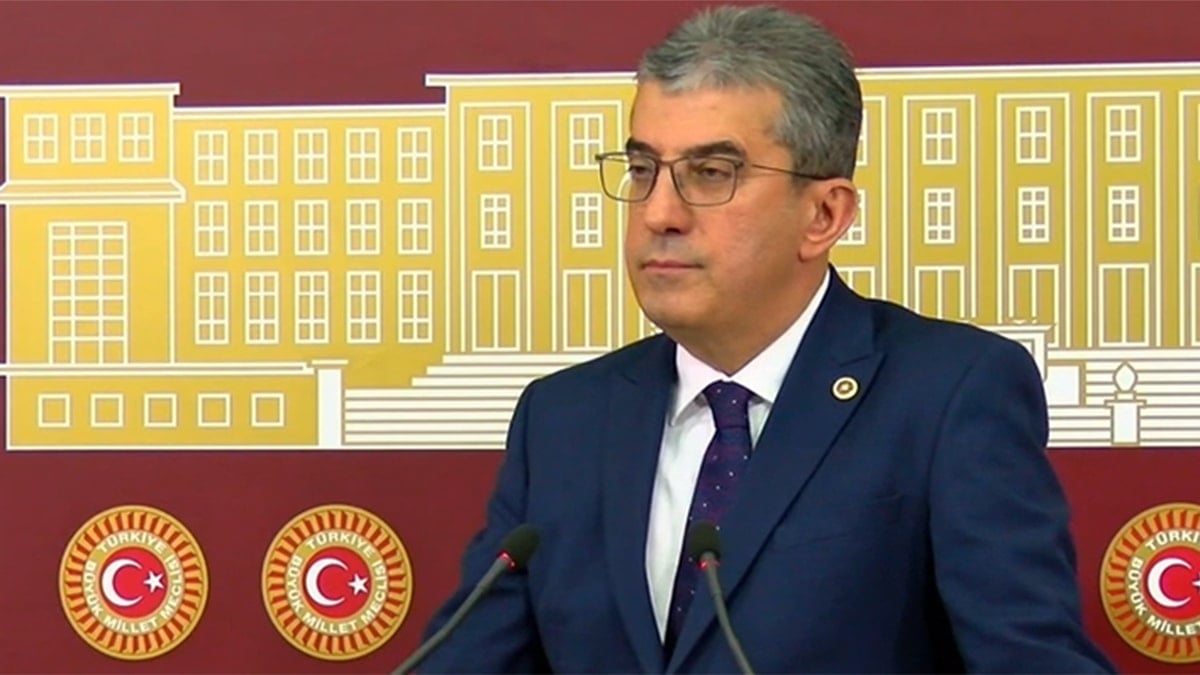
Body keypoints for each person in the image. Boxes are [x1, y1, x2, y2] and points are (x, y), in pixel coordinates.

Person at [415, 4, 1116, 672]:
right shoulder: (563, 419)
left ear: (823, 215)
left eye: (711, 174)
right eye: (642, 170)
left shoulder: (947, 395)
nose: (659, 213)